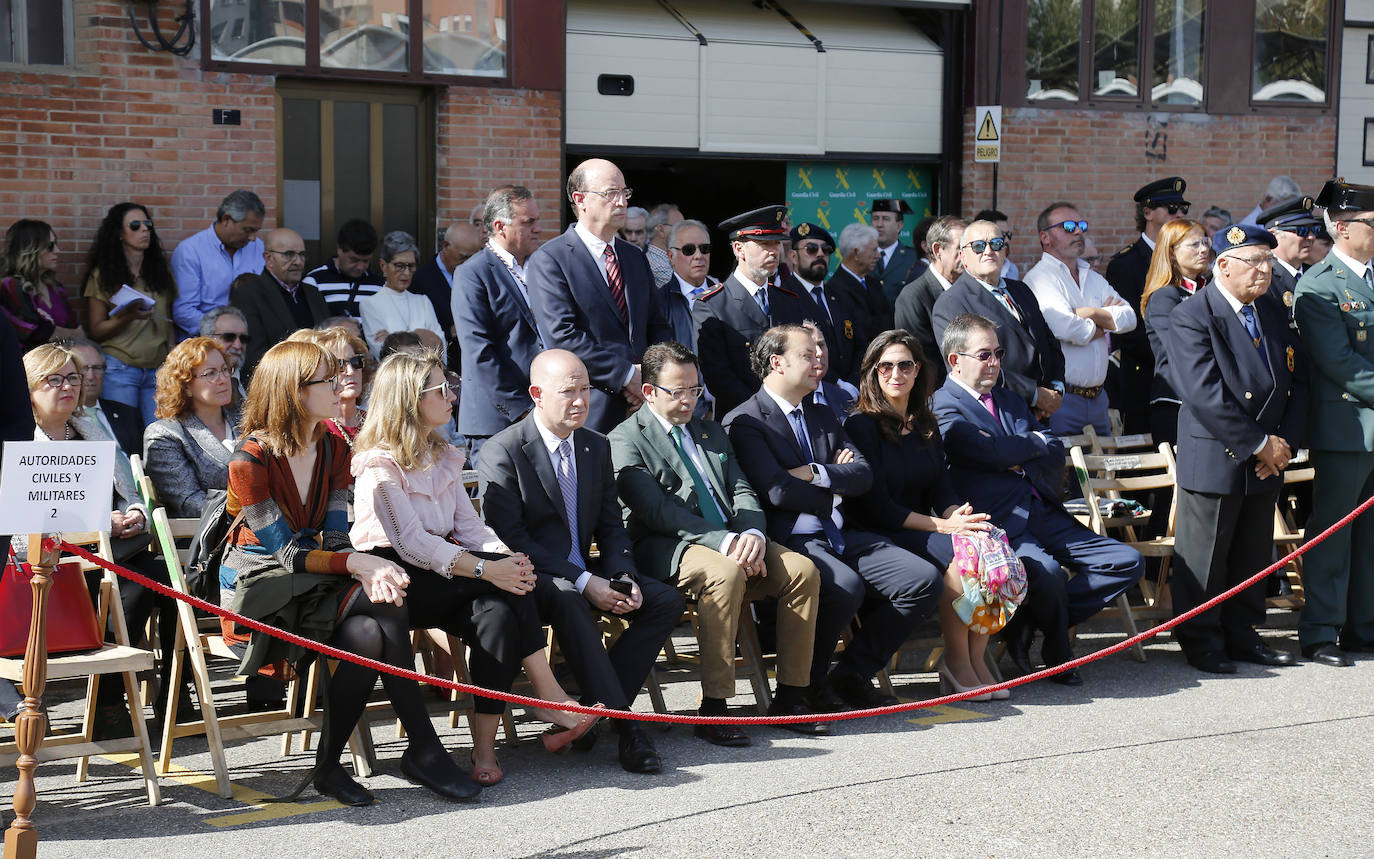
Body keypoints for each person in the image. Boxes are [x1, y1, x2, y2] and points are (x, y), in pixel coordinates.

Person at [223, 340, 478, 806]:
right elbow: (286, 554)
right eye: (329, 377)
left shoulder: (335, 445)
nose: (344, 382)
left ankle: (332, 767)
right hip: (259, 585)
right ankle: (423, 749)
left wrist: (358, 563)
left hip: (317, 574)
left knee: (367, 631)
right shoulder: (249, 459)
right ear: (295, 391)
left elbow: (337, 538)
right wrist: (360, 564)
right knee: (387, 601)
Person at [349, 350, 600, 784]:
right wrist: (488, 571)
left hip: (443, 571)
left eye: (451, 386)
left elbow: (470, 528)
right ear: (410, 399)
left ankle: (485, 748)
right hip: (394, 579)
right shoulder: (378, 463)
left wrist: (505, 558)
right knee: (506, 584)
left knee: (500, 610)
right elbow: (410, 543)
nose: (452, 396)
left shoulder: (442, 454)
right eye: (442, 389)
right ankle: (548, 697)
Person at [477, 349, 683, 774]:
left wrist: (622, 574)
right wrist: (586, 579)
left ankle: (591, 711)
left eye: (586, 389)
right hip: (535, 577)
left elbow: (611, 525)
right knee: (569, 596)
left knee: (664, 601)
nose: (580, 400)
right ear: (537, 394)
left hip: (588, 569)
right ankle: (629, 730)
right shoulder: (504, 450)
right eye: (568, 391)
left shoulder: (595, 445)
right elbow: (512, 539)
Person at [609, 342, 825, 744]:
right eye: (678, 391)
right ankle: (715, 706)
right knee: (724, 574)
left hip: (733, 536)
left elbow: (741, 489)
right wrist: (726, 543)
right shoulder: (625, 439)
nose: (689, 400)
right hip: (669, 545)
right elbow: (656, 511)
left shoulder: (709, 430)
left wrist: (753, 534)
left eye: (694, 389)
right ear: (649, 391)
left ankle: (792, 697)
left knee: (802, 571)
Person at [723, 325, 941, 711]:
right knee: (844, 586)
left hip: (841, 533)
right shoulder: (746, 421)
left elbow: (863, 475)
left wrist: (815, 472)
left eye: (818, 353)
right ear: (777, 363)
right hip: (791, 539)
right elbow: (777, 492)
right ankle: (809, 684)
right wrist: (835, 487)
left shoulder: (822, 413)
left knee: (922, 580)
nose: (819, 360)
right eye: (807, 355)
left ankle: (851, 675)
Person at [932, 314, 1144, 685]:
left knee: (1127, 561)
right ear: (955, 360)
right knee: (1047, 573)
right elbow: (986, 452)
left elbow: (1054, 448)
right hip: (1000, 522)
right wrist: (1029, 445)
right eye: (984, 354)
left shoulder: (1008, 398)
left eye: (998, 353)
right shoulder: (943, 405)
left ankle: (1026, 619)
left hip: (1043, 508)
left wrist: (1015, 450)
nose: (995, 362)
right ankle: (1058, 652)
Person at [1166, 223, 1306, 673]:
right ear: (1224, 265)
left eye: (1268, 260)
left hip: (1268, 456)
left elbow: (1296, 380)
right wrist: (1259, 444)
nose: (1264, 270)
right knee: (1206, 556)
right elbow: (1204, 393)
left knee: (1251, 554)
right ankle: (1202, 640)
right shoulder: (1193, 315)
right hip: (1220, 453)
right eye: (1255, 261)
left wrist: (1283, 444)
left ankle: (1244, 635)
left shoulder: (1270, 310)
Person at [844, 330, 1004, 698]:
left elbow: (941, 490)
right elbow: (878, 507)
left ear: (918, 370)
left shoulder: (925, 423)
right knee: (959, 559)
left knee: (983, 548)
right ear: (872, 372)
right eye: (885, 367)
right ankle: (957, 663)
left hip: (919, 528)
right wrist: (945, 526)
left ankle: (976, 660)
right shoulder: (860, 425)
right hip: (877, 530)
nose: (895, 374)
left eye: (905, 365)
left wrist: (961, 519)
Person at [25, 343, 174, 733]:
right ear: (30, 387)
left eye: (72, 377)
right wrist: (100, 523)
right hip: (54, 563)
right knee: (136, 588)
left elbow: (130, 493)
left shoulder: (91, 431)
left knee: (174, 580)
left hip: (114, 551)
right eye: (54, 379)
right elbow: (25, 523)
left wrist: (136, 514)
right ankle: (108, 701)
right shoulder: (21, 441)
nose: (68, 386)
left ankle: (178, 691)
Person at [526, 158, 672, 433]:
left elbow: (656, 325)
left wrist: (650, 378)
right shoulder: (551, 259)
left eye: (624, 192)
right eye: (610, 193)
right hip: (591, 409)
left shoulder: (634, 257)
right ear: (580, 199)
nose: (621, 202)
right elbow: (562, 337)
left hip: (645, 406)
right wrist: (626, 376)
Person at [1293, 178, 1374, 667]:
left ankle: (1364, 626)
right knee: (1333, 532)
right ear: (1342, 228)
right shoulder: (1320, 284)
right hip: (1346, 428)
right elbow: (1339, 361)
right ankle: (1320, 630)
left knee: (1370, 536)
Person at [930, 219, 1066, 422]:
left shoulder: (1021, 290)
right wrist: (1035, 395)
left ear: (1004, 252)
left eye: (996, 244)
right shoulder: (951, 303)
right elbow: (966, 367)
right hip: (1000, 415)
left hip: (1046, 412)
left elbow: (1050, 343)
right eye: (978, 246)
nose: (988, 251)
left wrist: (1056, 388)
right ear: (963, 256)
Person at [1022, 202, 1136, 436]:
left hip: (1099, 398)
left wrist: (1090, 313)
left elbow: (1130, 318)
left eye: (1081, 225)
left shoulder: (1092, 277)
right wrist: (1107, 324)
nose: (1077, 231)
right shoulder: (1039, 278)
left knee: (1103, 460)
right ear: (1045, 237)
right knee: (1064, 461)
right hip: (1063, 399)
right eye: (1068, 226)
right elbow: (1065, 327)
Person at [453, 184, 544, 464]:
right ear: (500, 226)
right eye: (528, 222)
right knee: (501, 493)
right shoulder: (473, 273)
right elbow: (478, 351)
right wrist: (522, 409)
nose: (538, 229)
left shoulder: (541, 267)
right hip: (498, 420)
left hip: (544, 412)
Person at [693, 205, 810, 417]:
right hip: (743, 419)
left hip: (790, 416)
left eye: (777, 242)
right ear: (739, 249)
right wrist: (766, 409)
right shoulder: (712, 304)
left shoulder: (788, 300)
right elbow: (718, 377)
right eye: (764, 243)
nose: (774, 251)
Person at [1105, 177, 1190, 433]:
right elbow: (1130, 331)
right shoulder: (1126, 263)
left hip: (1186, 379)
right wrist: (1179, 358)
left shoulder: (1185, 259)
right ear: (1147, 212)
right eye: (1171, 209)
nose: (1179, 214)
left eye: (1183, 209)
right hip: (1146, 379)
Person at [80, 203, 175, 424]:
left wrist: (171, 356)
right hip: (120, 367)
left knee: (161, 432)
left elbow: (169, 319)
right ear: (120, 233)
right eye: (135, 225)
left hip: (158, 368)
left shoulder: (160, 271)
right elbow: (96, 330)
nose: (144, 229)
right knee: (124, 431)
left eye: (147, 224)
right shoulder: (103, 274)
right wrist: (129, 316)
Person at [142, 337, 239, 518]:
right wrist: (254, 509)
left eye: (224, 370)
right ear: (185, 385)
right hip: (213, 532)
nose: (223, 379)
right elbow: (189, 502)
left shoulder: (245, 420)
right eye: (210, 373)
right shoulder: (166, 434)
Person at [1140, 219, 1212, 446]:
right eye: (1194, 244)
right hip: (1176, 403)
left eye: (1205, 241)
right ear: (1171, 252)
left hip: (1208, 401)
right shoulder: (1165, 296)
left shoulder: (1208, 290)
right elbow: (1183, 348)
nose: (1203, 249)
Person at [230, 228, 331, 382]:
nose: (298, 261)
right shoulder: (249, 294)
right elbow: (253, 355)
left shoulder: (314, 293)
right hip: (275, 383)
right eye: (289, 254)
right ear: (268, 258)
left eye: (302, 254)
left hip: (320, 381)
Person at [171, 190, 266, 338]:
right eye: (247, 230)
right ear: (226, 219)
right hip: (205, 342)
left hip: (251, 339)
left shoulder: (258, 247)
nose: (252, 238)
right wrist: (224, 332)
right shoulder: (190, 251)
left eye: (256, 231)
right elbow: (184, 312)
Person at [894, 215, 966, 386]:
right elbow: (923, 362)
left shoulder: (970, 290)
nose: (966, 255)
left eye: (969, 248)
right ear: (937, 250)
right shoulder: (913, 297)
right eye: (960, 248)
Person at [788, 223, 861, 385]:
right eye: (811, 249)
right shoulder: (785, 296)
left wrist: (853, 383)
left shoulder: (841, 296)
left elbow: (859, 345)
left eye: (826, 250)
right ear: (793, 257)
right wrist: (836, 383)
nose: (820, 254)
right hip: (812, 389)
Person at [359, 231, 444, 358]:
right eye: (400, 266)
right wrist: (423, 338)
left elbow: (440, 347)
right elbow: (382, 352)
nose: (406, 272)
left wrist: (394, 338)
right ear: (383, 265)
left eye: (411, 266)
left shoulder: (423, 301)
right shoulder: (370, 304)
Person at [1, 219, 84, 349]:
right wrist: (74, 334)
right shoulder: (10, 286)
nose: (57, 250)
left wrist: (71, 334)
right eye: (50, 246)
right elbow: (35, 332)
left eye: (56, 244)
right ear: (31, 249)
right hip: (29, 360)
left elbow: (74, 326)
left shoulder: (56, 288)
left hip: (63, 357)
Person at [411, 221, 482, 369]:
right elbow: (416, 329)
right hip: (439, 364)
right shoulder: (421, 279)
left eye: (474, 257)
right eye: (463, 257)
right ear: (445, 246)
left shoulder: (480, 275)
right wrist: (450, 331)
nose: (468, 263)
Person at [287, 326, 371, 447]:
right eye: (338, 364)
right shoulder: (315, 429)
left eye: (355, 361)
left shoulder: (376, 420)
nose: (350, 371)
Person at [64, 335, 143, 459]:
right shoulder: (62, 421)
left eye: (97, 368)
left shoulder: (128, 413)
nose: (91, 376)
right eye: (83, 369)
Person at [302, 219, 384, 319]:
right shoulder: (314, 282)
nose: (360, 267)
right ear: (339, 249)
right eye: (354, 260)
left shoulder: (381, 285)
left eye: (366, 261)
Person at [1256, 195, 1318, 324]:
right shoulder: (1263, 278)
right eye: (1302, 230)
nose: (1311, 237)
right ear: (1274, 235)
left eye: (1314, 230)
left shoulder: (1316, 275)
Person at [829, 222, 892, 341]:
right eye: (874, 250)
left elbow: (889, 319)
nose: (878, 256)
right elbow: (861, 329)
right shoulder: (835, 289)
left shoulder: (873, 283)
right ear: (856, 253)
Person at [871, 199, 922, 306]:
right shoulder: (859, 257)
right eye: (875, 218)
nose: (879, 224)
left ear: (899, 226)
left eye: (886, 219)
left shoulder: (914, 258)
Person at [802, 321, 856, 421]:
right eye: (811, 347)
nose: (820, 353)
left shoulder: (844, 398)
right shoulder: (791, 402)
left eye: (821, 345)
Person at [199, 305, 250, 403]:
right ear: (207, 340)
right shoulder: (197, 386)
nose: (238, 345)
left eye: (244, 339)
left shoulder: (254, 380)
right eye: (229, 337)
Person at [973, 209, 1019, 280]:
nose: (1007, 240)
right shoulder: (973, 271)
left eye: (1008, 234)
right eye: (1002, 235)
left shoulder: (1012, 269)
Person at [646, 203, 683, 287]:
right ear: (661, 230)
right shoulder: (655, 264)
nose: (685, 231)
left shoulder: (667, 257)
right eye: (679, 226)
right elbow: (690, 284)